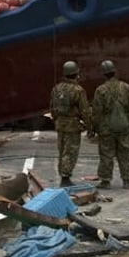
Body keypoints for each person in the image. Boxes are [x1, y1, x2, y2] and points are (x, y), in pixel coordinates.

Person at [91, 59, 129, 189]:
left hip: (106, 128)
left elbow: (97, 112)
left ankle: (106, 180)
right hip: (123, 126)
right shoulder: (126, 88)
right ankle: (127, 181)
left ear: (103, 74)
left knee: (106, 154)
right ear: (114, 71)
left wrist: (95, 127)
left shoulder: (100, 90)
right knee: (125, 154)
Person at [49, 60, 91, 188]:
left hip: (60, 124)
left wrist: (56, 119)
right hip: (72, 125)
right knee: (70, 151)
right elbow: (84, 110)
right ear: (76, 74)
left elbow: (52, 107)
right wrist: (90, 126)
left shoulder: (56, 88)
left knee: (62, 150)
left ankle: (63, 174)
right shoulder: (78, 90)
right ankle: (65, 178)